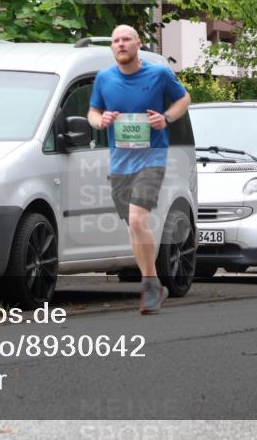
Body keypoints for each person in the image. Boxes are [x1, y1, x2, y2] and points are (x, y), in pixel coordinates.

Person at [88, 25, 191, 314]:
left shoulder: (158, 74)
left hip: (152, 159)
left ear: (138, 44)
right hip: (120, 163)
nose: (120, 44)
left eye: (126, 39)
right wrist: (100, 121)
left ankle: (147, 285)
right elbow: (93, 112)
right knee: (133, 227)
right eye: (116, 40)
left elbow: (184, 99)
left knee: (136, 220)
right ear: (112, 47)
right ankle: (156, 283)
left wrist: (166, 118)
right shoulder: (104, 78)